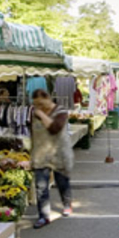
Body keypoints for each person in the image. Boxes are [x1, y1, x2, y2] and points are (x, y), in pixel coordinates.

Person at [30, 88, 74, 228]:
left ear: (48, 99)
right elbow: (31, 132)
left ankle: (67, 203)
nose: (39, 107)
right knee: (41, 187)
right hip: (40, 154)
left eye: (41, 103)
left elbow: (55, 128)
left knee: (62, 183)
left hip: (59, 154)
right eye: (36, 104)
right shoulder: (34, 113)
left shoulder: (61, 111)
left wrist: (42, 115)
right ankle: (43, 216)